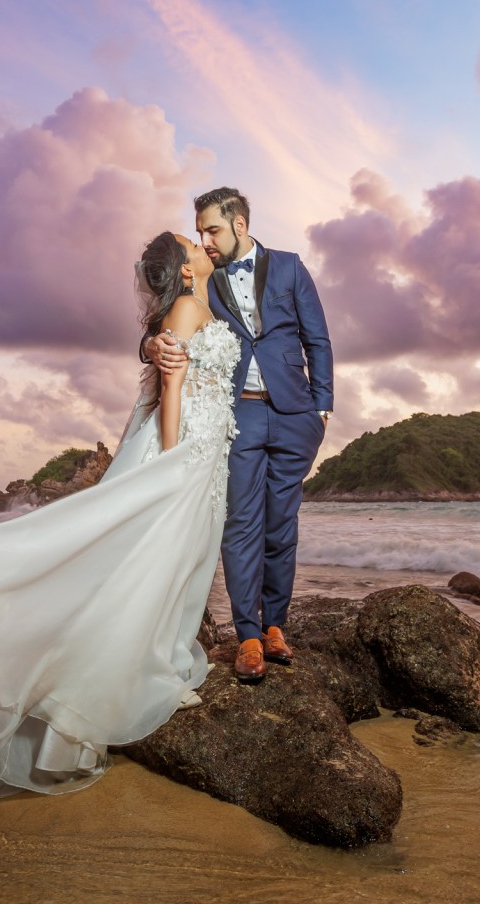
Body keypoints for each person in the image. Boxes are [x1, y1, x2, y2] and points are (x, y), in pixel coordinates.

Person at [0, 231, 239, 798]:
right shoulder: (189, 307)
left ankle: (156, 654)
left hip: (210, 447)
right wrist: (172, 458)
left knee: (182, 555)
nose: (202, 246)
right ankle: (112, 683)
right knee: (156, 558)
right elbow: (172, 382)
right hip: (185, 445)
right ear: (185, 273)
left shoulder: (203, 301)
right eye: (192, 245)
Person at [145, 187, 333, 684]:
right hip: (240, 414)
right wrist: (150, 345)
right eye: (200, 231)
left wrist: (323, 408)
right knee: (243, 522)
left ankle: (276, 627)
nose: (205, 240)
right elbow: (169, 317)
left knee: (282, 525)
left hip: (296, 414)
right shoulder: (206, 279)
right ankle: (247, 635)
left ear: (241, 225)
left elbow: (317, 337)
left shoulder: (291, 267)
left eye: (213, 230)